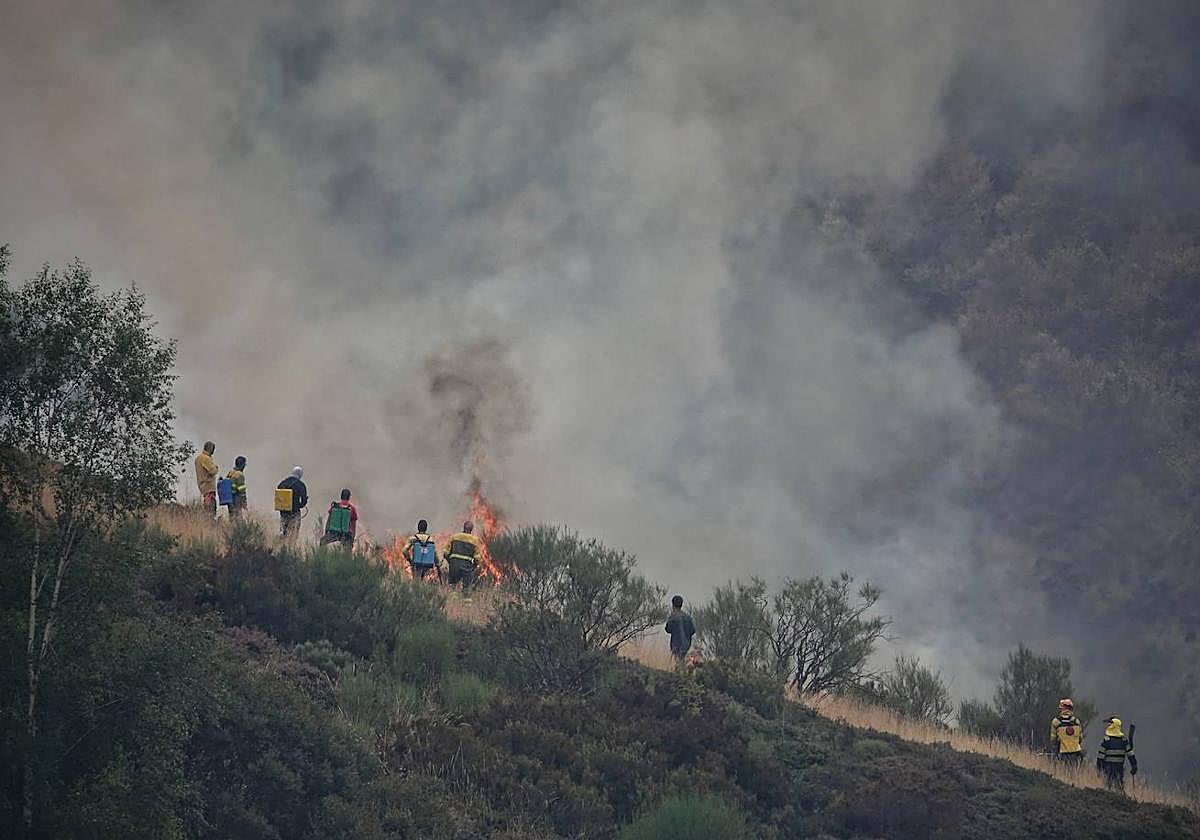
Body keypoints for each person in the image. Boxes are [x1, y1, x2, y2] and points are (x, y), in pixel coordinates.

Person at [1096, 717, 1137, 792]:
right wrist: (1134, 765)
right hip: (1118, 767)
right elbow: (1130, 754)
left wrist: (1099, 768)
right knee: (1118, 785)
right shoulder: (1124, 741)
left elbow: (1100, 756)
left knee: (1109, 785)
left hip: (1109, 767)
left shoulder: (1106, 740)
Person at [444, 520, 482, 598]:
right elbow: (477, 558)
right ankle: (466, 602)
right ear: (471, 529)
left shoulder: (454, 537)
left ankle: (453, 601)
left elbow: (445, 552)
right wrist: (473, 566)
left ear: (463, 527)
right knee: (466, 587)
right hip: (467, 566)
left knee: (453, 585)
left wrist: (450, 562)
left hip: (454, 565)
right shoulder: (474, 540)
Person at [276, 466, 308, 545]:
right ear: (300, 475)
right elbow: (303, 502)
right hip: (294, 513)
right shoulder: (301, 485)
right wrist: (299, 505)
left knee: (283, 532)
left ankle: (280, 545)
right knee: (293, 534)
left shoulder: (282, 483)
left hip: (283, 513)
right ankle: (291, 547)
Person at [1050, 698, 1085, 765]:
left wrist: (1055, 749)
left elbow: (1053, 739)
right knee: (1074, 769)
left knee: (1063, 769)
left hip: (1062, 752)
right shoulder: (1076, 721)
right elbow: (1080, 738)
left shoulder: (1056, 722)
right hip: (1075, 752)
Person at [665, 595, 696, 663]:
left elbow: (667, 629)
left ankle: (680, 669)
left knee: (678, 662)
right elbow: (693, 630)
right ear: (681, 605)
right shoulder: (688, 617)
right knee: (683, 660)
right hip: (686, 645)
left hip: (676, 645)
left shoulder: (673, 617)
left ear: (673, 605)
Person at [194, 441, 218, 516]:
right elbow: (213, 471)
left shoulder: (198, 458)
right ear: (210, 449)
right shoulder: (206, 458)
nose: (213, 451)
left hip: (202, 485)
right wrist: (216, 467)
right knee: (211, 507)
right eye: (213, 449)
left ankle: (207, 518)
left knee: (207, 504)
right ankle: (210, 520)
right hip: (208, 485)